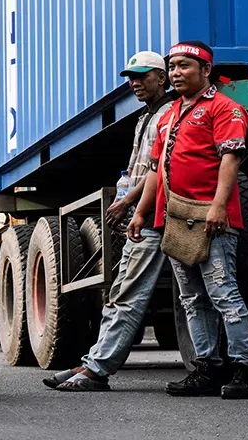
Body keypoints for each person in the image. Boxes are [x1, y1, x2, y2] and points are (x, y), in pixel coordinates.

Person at [128, 41, 248, 400]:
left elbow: (230, 160)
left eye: (184, 66)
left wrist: (219, 206)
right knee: (192, 298)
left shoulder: (225, 109)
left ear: (206, 70)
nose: (175, 73)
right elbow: (155, 170)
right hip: (175, 219)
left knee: (222, 292)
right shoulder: (169, 115)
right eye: (172, 67)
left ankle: (244, 369)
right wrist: (141, 212)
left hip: (211, 218)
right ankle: (206, 368)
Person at [41, 50, 174, 392]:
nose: (135, 83)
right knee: (120, 292)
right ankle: (92, 362)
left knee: (129, 293)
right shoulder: (146, 118)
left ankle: (97, 368)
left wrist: (130, 202)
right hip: (140, 214)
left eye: (142, 75)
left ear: (162, 77)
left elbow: (159, 171)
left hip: (157, 215)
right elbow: (134, 170)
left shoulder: (168, 117)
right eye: (131, 77)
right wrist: (122, 200)